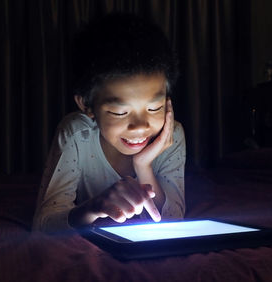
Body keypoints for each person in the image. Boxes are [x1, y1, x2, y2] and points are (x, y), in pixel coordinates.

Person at [32, 13, 186, 232]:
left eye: (154, 108)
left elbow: (174, 222)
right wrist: (93, 208)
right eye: (120, 112)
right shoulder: (77, 135)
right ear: (86, 105)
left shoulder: (171, 136)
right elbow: (43, 225)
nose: (140, 126)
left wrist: (143, 165)